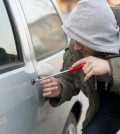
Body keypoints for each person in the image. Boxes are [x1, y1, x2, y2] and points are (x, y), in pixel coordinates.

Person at [40, 1, 120, 134]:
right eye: (76, 40)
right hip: (110, 102)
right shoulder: (80, 38)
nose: (76, 47)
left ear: (100, 38)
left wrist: (110, 66)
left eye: (82, 42)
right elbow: (70, 77)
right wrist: (60, 86)